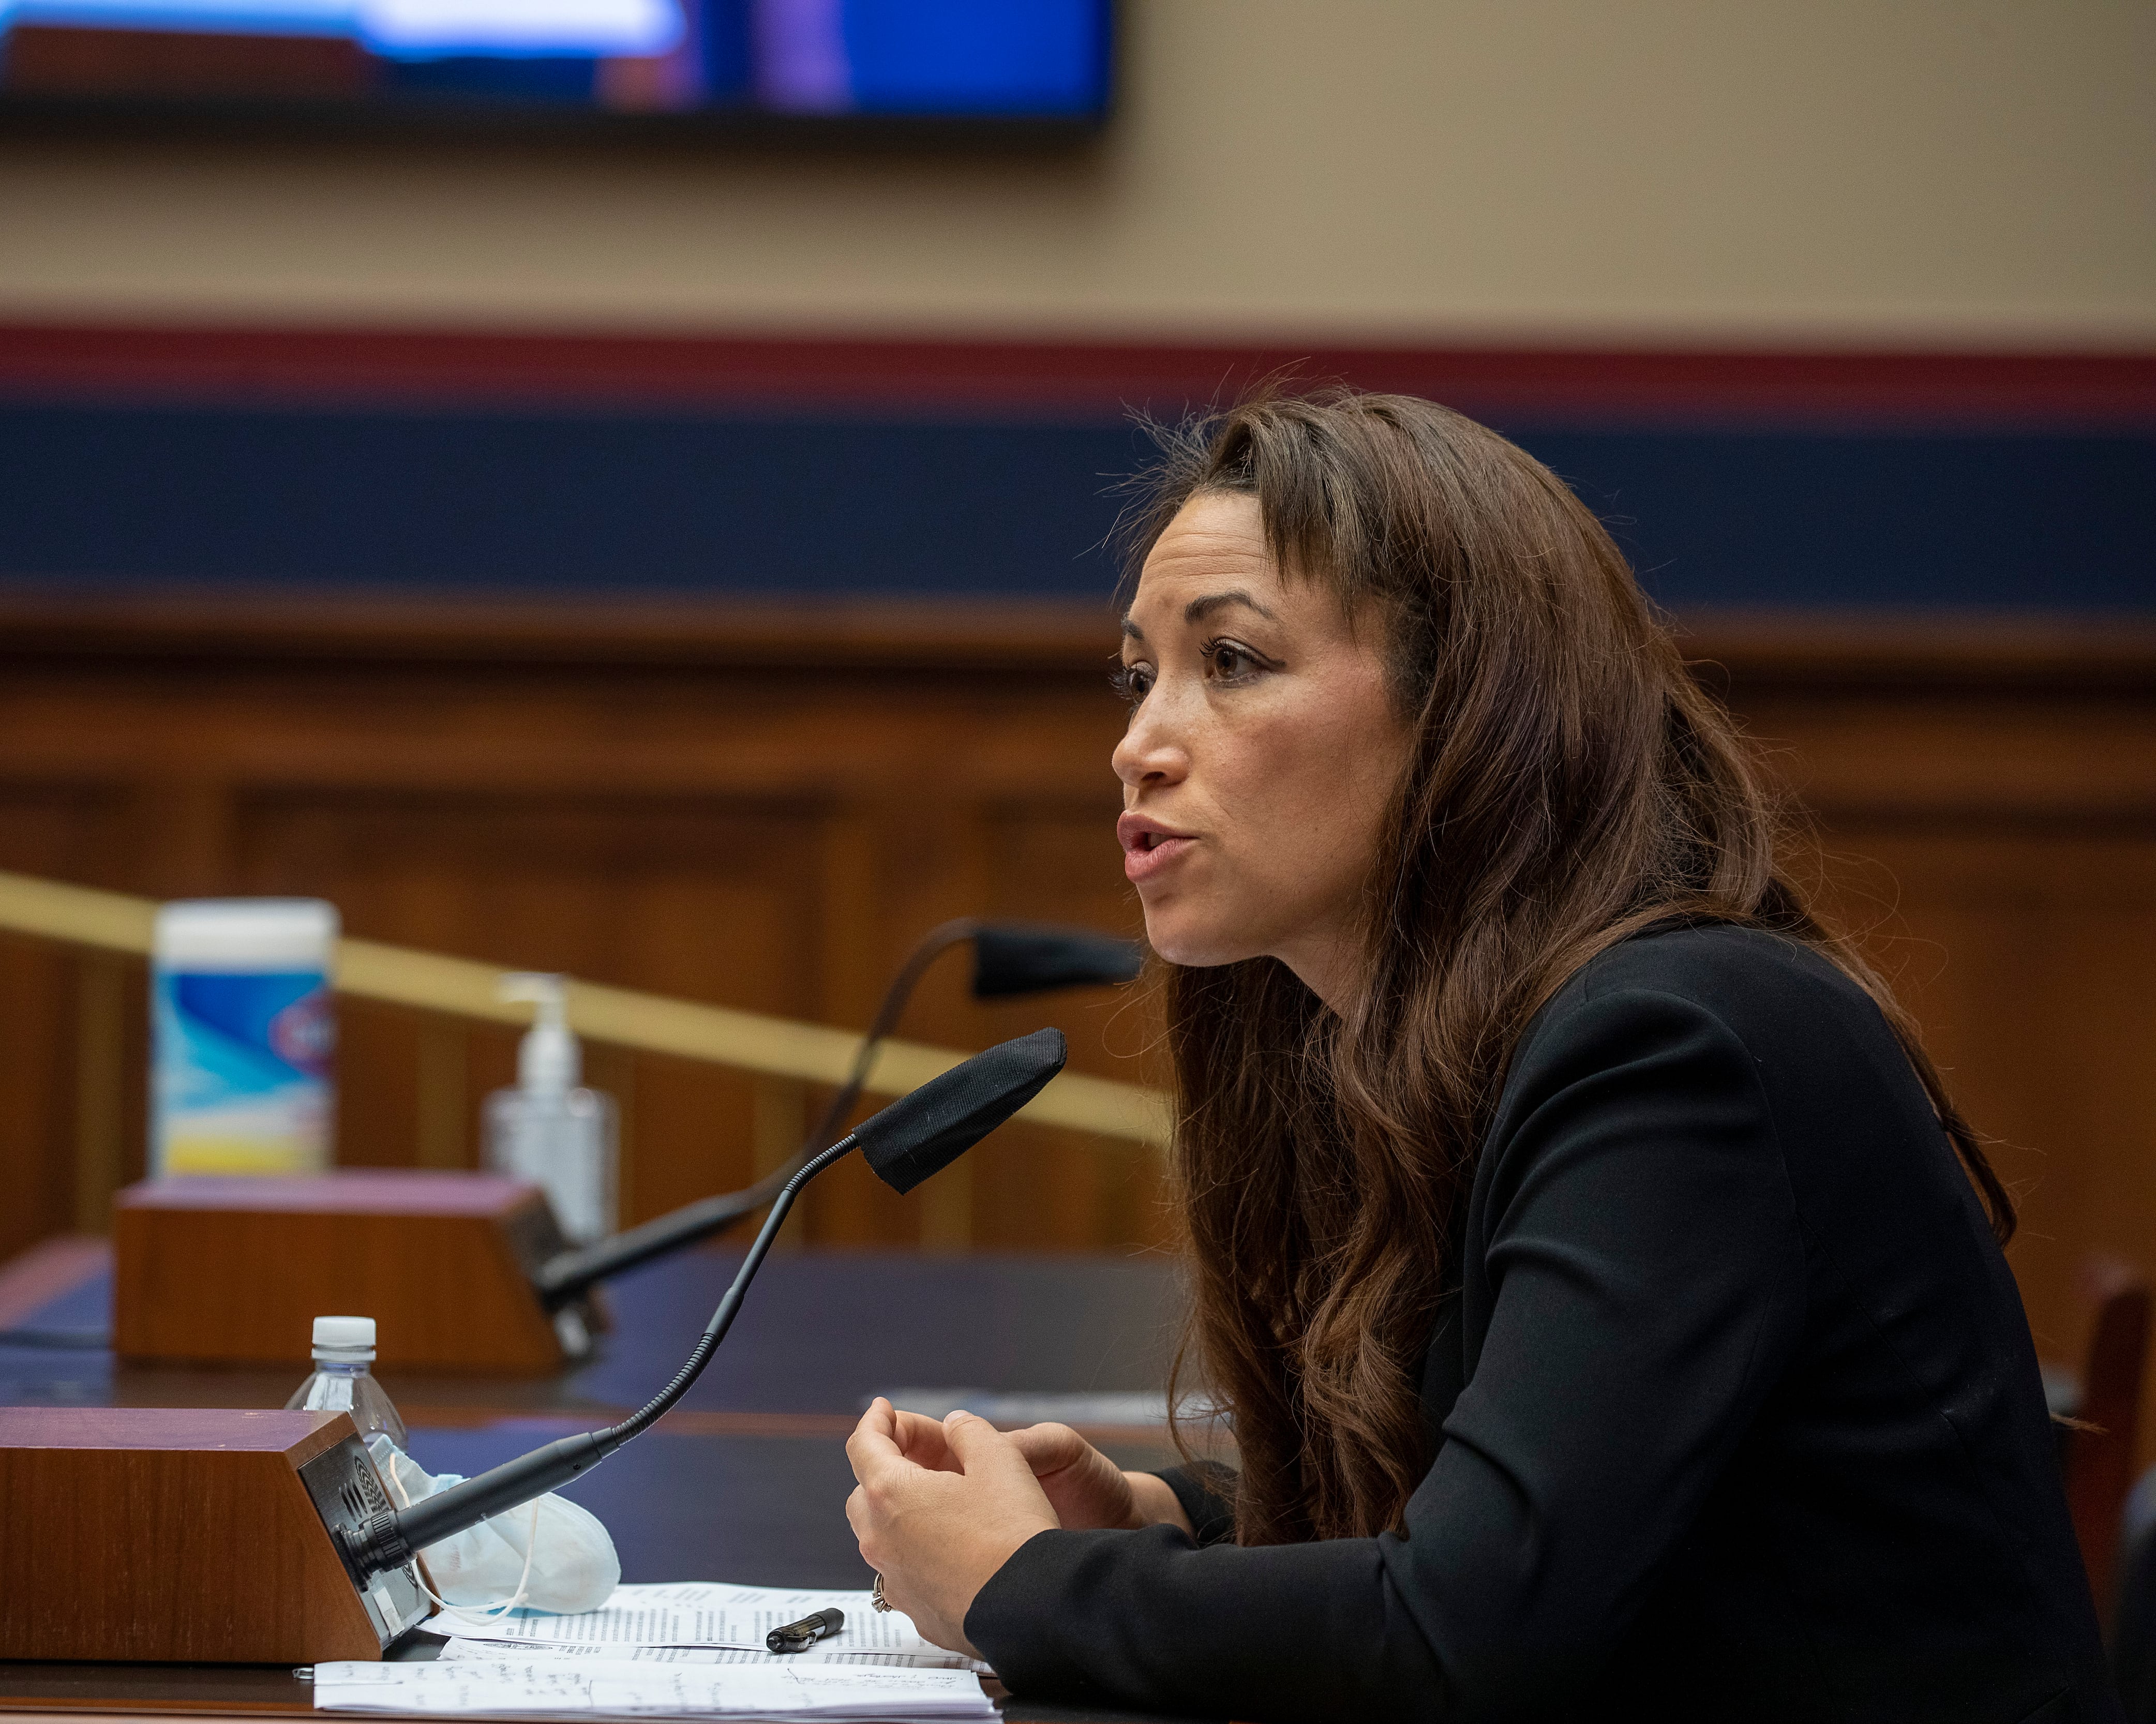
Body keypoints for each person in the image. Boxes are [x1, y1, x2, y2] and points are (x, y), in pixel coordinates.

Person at [841, 388, 2120, 1722]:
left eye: (1229, 663)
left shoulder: (1678, 1048)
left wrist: (1022, 1585)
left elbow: (1467, 1637)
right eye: (1138, 672)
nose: (1138, 743)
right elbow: (1533, 1519)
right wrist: (1180, 1523)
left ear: (1464, 710)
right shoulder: (1380, 1042)